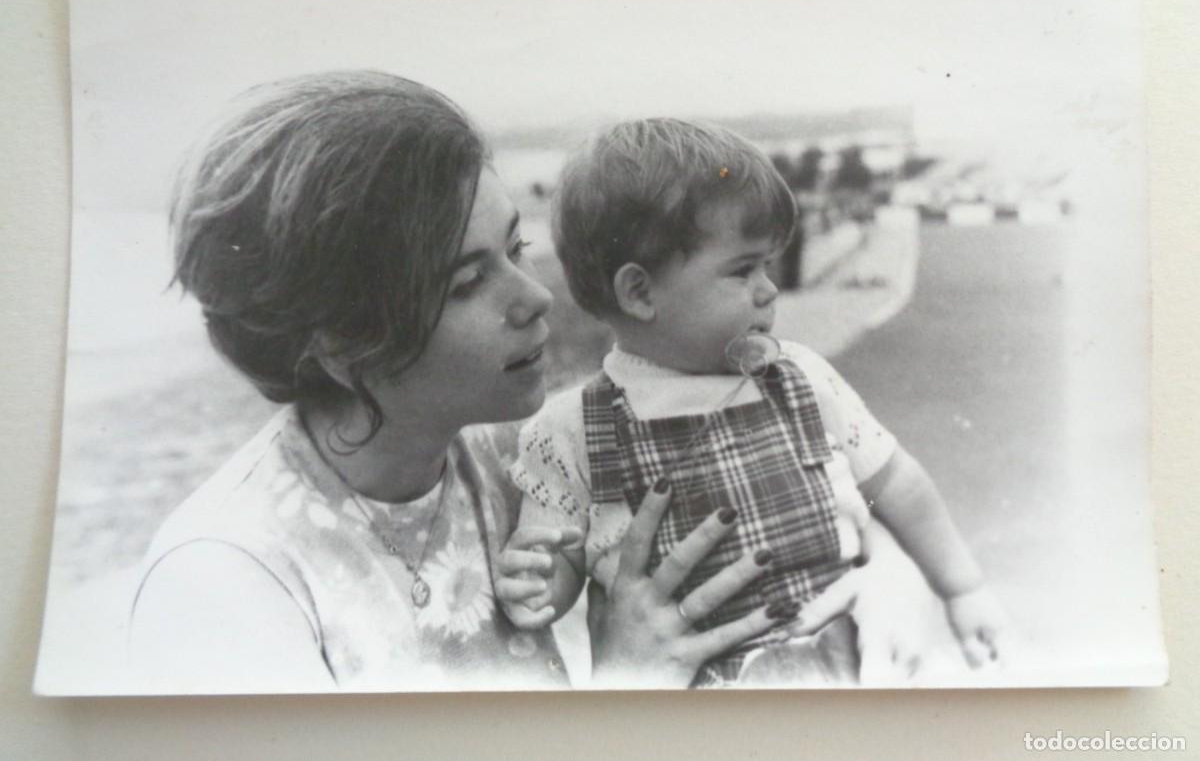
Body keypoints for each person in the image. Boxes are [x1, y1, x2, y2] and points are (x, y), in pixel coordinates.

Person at [127, 73, 800, 692]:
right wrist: (630, 683)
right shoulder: (225, 578)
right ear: (340, 340)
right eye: (470, 282)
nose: (535, 297)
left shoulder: (524, 462)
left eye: (516, 249)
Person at [500, 118, 1009, 686]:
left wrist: (963, 587)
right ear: (640, 292)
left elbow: (897, 483)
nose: (769, 289)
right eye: (743, 270)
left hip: (848, 666)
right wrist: (537, 584)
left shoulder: (799, 379)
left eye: (767, 264)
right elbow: (560, 560)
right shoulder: (570, 429)